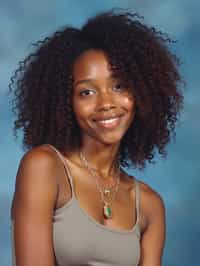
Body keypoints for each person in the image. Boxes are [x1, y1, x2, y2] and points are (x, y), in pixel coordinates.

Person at [9, 9, 183, 266]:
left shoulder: (149, 205)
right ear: (65, 102)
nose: (106, 103)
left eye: (119, 86)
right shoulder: (44, 168)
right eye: (87, 92)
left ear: (141, 93)